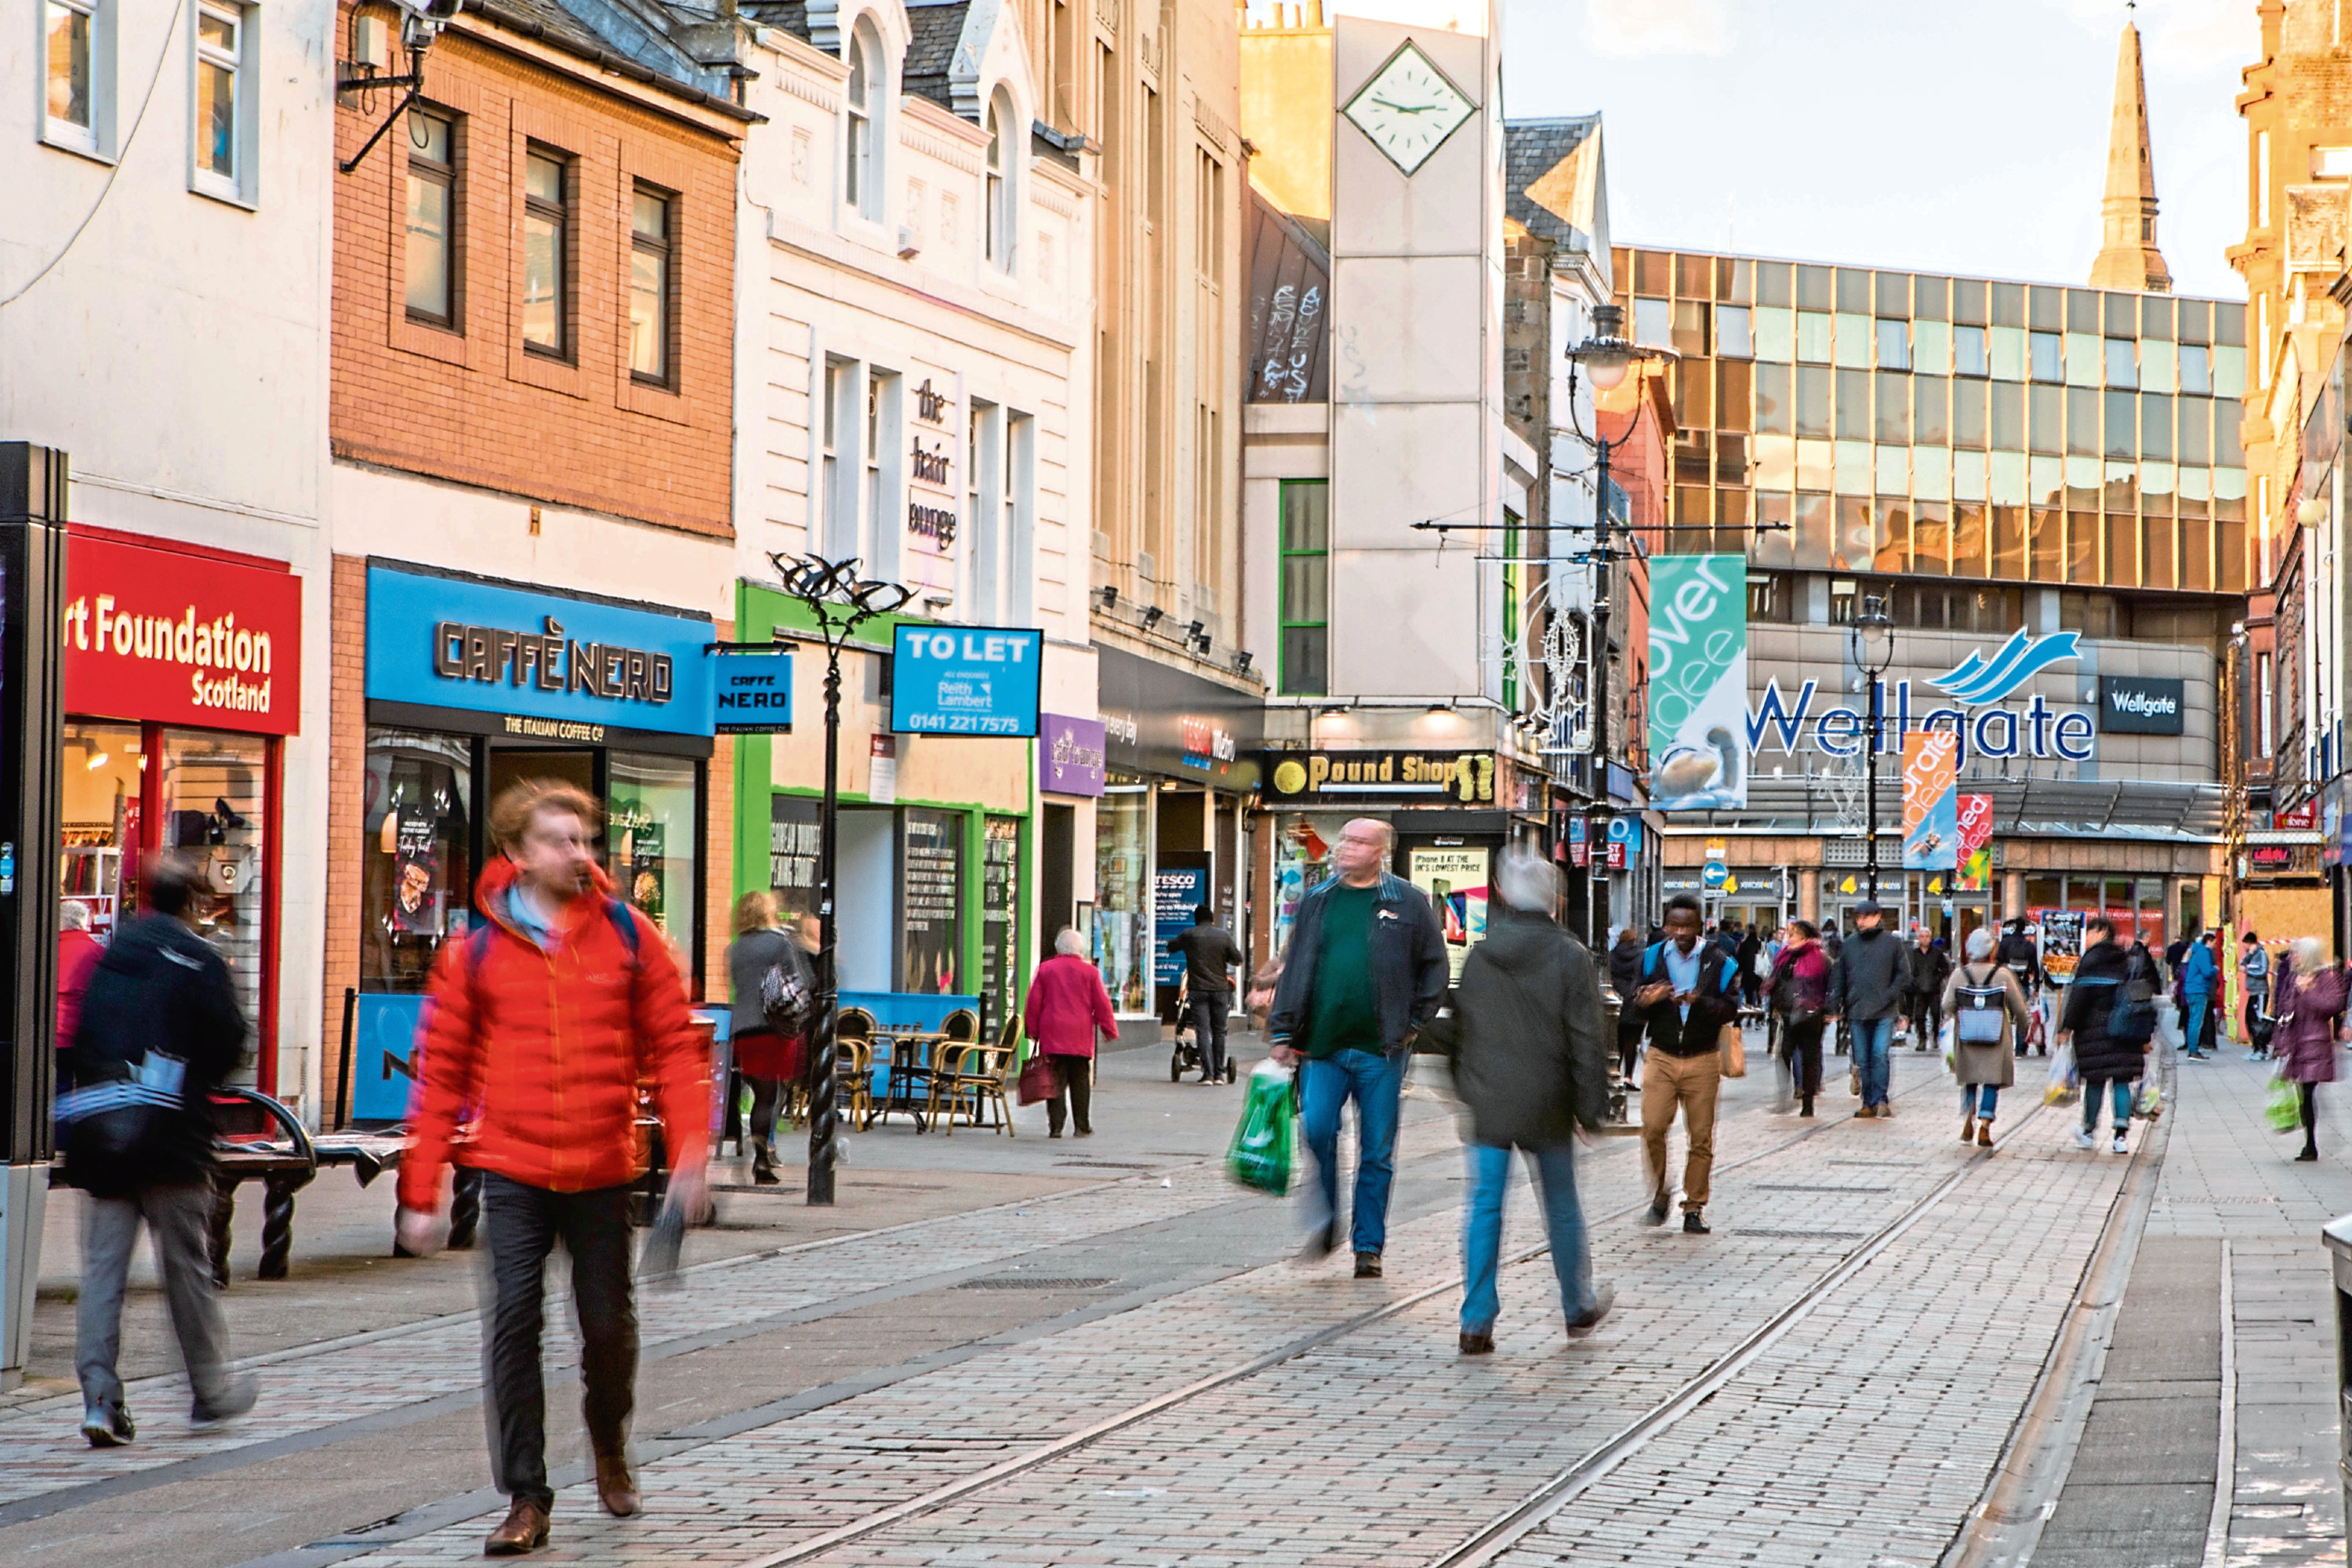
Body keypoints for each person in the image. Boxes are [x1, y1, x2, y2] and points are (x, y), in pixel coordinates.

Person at [396, 779, 710, 1554]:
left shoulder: (629, 935)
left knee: (608, 1330)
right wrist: (421, 1189)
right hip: (513, 1166)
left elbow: (676, 1046)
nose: (580, 853)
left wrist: (690, 1156)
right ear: (518, 852)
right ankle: (526, 1496)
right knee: (513, 1326)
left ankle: (608, 1439)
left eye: (585, 839)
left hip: (602, 1166)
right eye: (561, 840)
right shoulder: (475, 952)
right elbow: (440, 1071)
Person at [60, 854, 254, 1448]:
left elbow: (82, 1039)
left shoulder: (111, 956)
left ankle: (100, 1401)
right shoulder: (200, 960)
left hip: (105, 1137)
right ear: (192, 901)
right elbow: (228, 1048)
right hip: (172, 1138)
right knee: (186, 1271)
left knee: (102, 1275)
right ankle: (208, 1390)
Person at [1441, 851, 1613, 1354]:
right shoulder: (1570, 955)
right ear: (1554, 899)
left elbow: (1458, 1028)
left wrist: (1466, 1090)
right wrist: (1590, 1108)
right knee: (1561, 1206)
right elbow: (1586, 1037)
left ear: (1502, 895)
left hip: (1490, 1100)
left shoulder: (1480, 954)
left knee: (1484, 1208)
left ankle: (1476, 1320)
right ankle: (1576, 1305)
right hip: (1549, 1100)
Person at [1268, 817, 1448, 1279]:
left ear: (1380, 852)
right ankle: (1327, 1219)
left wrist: (1413, 1024)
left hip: (1382, 1050)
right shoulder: (1318, 899)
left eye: (1358, 842)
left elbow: (1435, 967)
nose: (1344, 847)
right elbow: (1296, 966)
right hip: (1322, 1046)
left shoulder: (1407, 901)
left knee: (1376, 1152)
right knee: (1317, 1130)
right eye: (1344, 839)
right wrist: (1283, 1031)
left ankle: (1368, 1245)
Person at [1632, 893, 1742, 1234]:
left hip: (1702, 1058)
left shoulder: (1720, 961)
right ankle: (1660, 1193)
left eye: (1687, 926)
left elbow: (1730, 1009)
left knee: (1701, 1138)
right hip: (1661, 1055)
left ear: (1700, 926)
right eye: (1674, 925)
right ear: (1666, 925)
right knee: (1652, 1128)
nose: (1680, 932)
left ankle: (1694, 1207)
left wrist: (1700, 1002)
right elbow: (1632, 1003)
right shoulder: (1652, 957)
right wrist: (1647, 999)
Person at [726, 891, 812, 1185]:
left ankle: (756, 1152)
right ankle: (762, 1160)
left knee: (757, 1091)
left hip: (742, 1030)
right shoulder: (779, 943)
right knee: (767, 1097)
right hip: (770, 1027)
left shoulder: (734, 948)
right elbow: (797, 980)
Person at [2058, 915, 2154, 1155]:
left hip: (2094, 1031)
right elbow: (2143, 997)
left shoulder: (2091, 960)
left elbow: (2078, 999)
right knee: (2121, 1081)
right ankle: (2121, 1137)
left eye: (2089, 933)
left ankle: (2089, 1131)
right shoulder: (2128, 960)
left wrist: (2066, 1028)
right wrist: (2145, 1037)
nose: (2086, 938)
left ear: (2101, 932)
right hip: (2127, 1029)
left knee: (2095, 1081)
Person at [1022, 928, 1120, 1137]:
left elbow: (1033, 1003)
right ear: (1080, 949)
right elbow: (1102, 1004)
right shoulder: (1090, 972)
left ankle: (1056, 1126)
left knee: (1054, 1082)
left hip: (1052, 1033)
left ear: (1058, 947)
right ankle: (1082, 1125)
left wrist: (1032, 1030)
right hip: (1080, 1035)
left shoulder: (1046, 969)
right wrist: (1109, 1029)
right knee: (1080, 1081)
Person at [1944, 927, 2027, 1148]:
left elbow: (1947, 1005)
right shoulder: (2003, 975)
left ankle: (1969, 1114)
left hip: (1967, 1037)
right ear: (1991, 951)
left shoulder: (1959, 974)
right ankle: (1985, 1124)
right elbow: (2019, 1008)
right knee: (1992, 1080)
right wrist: (2024, 1028)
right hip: (1996, 1037)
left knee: (1970, 1078)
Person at [1828, 899, 1911, 1119]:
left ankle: (1881, 1099)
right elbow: (1839, 976)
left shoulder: (1892, 943)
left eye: (1866, 917)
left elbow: (1904, 975)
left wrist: (1889, 995)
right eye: (1858, 917)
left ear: (1877, 917)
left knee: (1879, 1054)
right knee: (1862, 1059)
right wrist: (1835, 1002)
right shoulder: (1850, 944)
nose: (1861, 921)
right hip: (1857, 1009)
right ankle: (1868, 1101)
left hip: (1884, 1010)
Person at [2274, 938, 2347, 1162]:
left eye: (2297, 953)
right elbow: (2283, 1009)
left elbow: (2332, 1006)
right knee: (2303, 1094)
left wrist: (2308, 992)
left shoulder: (2325, 977)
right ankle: (2311, 1141)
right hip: (2296, 1043)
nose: (2293, 957)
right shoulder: (2293, 978)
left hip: (2315, 1042)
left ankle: (2311, 1144)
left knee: (2307, 1091)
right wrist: (2280, 1040)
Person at [1166, 902, 1245, 1083]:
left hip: (1198, 990)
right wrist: (1223, 957)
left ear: (1196, 920)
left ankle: (1207, 1074)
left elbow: (1171, 947)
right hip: (1220, 990)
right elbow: (1238, 959)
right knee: (1219, 1032)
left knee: (1202, 1030)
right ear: (1212, 919)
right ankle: (1219, 1074)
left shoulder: (1189, 935)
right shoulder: (1223, 936)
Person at [1765, 919, 1831, 1118]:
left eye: (1793, 935)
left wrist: (1829, 1009)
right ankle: (1785, 1096)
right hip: (1788, 1014)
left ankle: (1807, 1103)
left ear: (1804, 938)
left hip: (1811, 1014)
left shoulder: (1818, 958)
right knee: (1784, 1053)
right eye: (1789, 935)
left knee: (1809, 1058)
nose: (1789, 938)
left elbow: (1827, 985)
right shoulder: (1785, 956)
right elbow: (1777, 980)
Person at [56, 898, 103, 1095]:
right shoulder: (97, 953)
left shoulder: (45, 950)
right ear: (85, 923)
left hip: (49, 1036)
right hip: (83, 1035)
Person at [1608, 924, 1645, 1084]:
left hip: (1616, 1000)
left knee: (1617, 1041)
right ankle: (1628, 1076)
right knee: (1632, 1041)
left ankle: (1615, 1072)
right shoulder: (1641, 956)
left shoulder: (1611, 956)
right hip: (1634, 1002)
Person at [2180, 923, 2220, 1060]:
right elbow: (2207, 972)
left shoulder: (2196, 952)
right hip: (2198, 989)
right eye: (2214, 943)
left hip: (2192, 989)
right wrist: (2215, 969)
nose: (2215, 945)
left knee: (2193, 1020)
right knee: (2196, 1021)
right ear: (2209, 941)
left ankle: (2192, 1049)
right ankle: (2193, 1050)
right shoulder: (2204, 953)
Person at [1909, 933, 1952, 1052]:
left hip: (1934, 990)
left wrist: (1937, 978)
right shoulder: (1914, 954)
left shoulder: (1937, 953)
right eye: (1922, 937)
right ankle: (1922, 1039)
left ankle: (1935, 1035)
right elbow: (1909, 969)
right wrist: (1914, 981)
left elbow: (1945, 968)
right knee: (1919, 1016)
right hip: (1919, 990)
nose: (1925, 939)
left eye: (1927, 937)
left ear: (1930, 938)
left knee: (1936, 1014)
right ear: (1919, 938)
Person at [2242, 930, 2273, 1059]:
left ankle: (2262, 1048)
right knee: (2249, 1019)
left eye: (2246, 945)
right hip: (2253, 991)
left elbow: (2262, 971)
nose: (2244, 947)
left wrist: (2248, 971)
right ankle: (2256, 1048)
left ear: (2251, 943)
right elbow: (2242, 965)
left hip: (2260, 991)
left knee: (2258, 1020)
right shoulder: (2251, 954)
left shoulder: (2261, 954)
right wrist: (2249, 954)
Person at [1736, 924, 1763, 1010]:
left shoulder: (1744, 944)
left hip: (1747, 970)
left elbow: (1740, 959)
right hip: (1759, 970)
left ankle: (1749, 1005)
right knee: (1758, 988)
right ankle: (1759, 1005)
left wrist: (1739, 972)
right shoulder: (1760, 944)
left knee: (1748, 990)